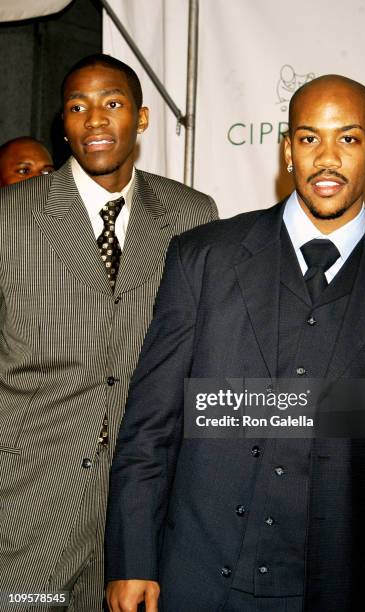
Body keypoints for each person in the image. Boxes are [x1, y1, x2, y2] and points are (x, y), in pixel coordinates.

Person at [105, 74, 365, 612]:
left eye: (348, 139)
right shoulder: (203, 258)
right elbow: (150, 427)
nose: (327, 158)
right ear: (287, 151)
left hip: (335, 592)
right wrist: (132, 559)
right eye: (309, 138)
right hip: (192, 582)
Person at [0, 53, 217, 612]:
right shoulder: (10, 216)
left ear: (141, 118)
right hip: (23, 501)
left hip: (137, 512)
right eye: (78, 107)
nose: (95, 120)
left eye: (112, 104)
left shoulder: (192, 216)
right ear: (64, 123)